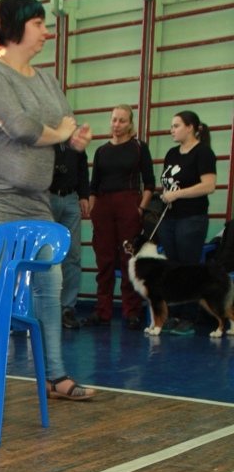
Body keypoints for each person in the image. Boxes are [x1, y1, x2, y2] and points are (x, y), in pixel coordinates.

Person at [0, 0, 95, 402]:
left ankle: (55, 375)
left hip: (36, 199)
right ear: (15, 27)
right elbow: (21, 127)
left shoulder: (46, 79)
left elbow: (63, 125)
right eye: (38, 23)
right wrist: (59, 132)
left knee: (49, 283)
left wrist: (72, 139)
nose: (46, 32)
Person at [83, 105, 155, 330]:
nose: (117, 124)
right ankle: (101, 311)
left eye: (122, 120)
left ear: (130, 123)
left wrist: (140, 209)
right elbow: (94, 186)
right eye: (114, 120)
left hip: (128, 203)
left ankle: (131, 312)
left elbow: (150, 183)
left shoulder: (139, 147)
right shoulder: (101, 151)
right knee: (103, 260)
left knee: (128, 260)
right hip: (103, 206)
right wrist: (93, 211)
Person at [159, 111, 217, 262]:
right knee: (171, 266)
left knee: (187, 267)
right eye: (171, 127)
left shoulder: (203, 152)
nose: (172, 130)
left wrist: (177, 194)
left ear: (190, 127)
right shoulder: (172, 153)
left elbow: (209, 186)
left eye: (176, 126)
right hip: (168, 217)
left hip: (191, 218)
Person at [49, 145, 90, 329]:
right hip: (47, 196)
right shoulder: (45, 135)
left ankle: (68, 309)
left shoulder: (75, 138)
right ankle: (45, 308)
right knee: (44, 255)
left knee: (72, 255)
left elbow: (82, 166)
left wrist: (84, 195)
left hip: (71, 197)